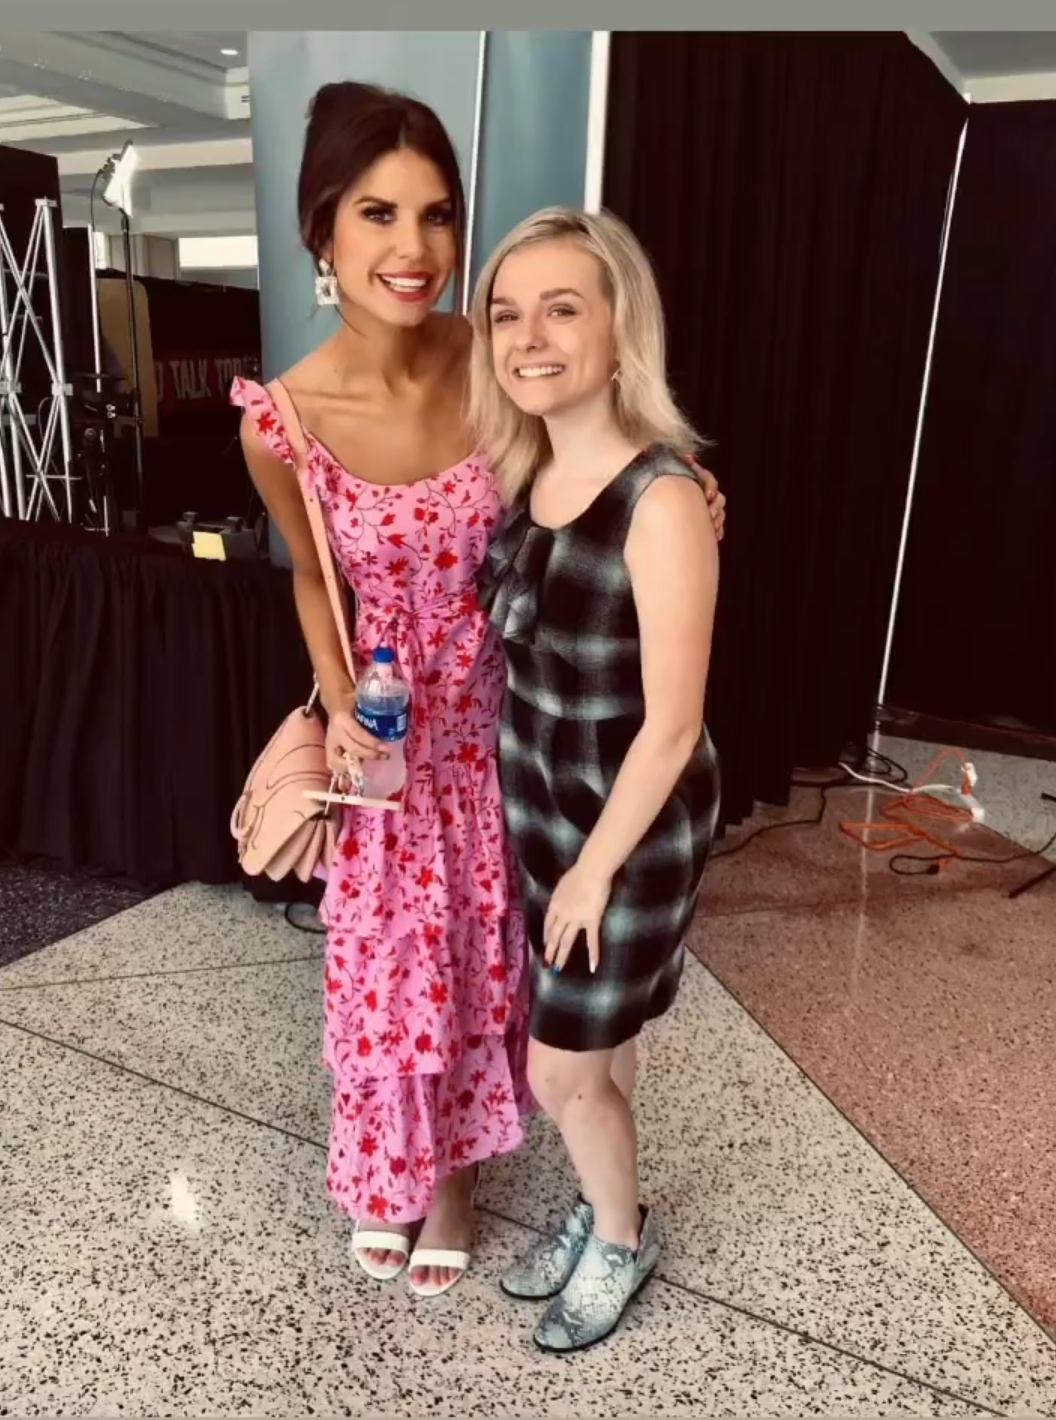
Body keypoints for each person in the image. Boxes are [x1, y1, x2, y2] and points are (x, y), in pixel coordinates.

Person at [232, 82, 726, 1300]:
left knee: (485, 960)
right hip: (389, 735)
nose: (413, 248)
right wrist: (336, 697)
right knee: (385, 964)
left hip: (508, 725)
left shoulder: (495, 359)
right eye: (377, 213)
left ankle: (457, 1179)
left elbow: (599, 465)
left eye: (437, 214)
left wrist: (685, 494)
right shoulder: (282, 418)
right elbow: (311, 575)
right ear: (321, 228)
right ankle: (393, 1169)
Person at [471, 207, 722, 1352]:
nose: (528, 337)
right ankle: (602, 1197)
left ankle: (620, 1238)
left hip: (623, 834)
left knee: (559, 1074)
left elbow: (672, 728)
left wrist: (590, 874)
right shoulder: (527, 475)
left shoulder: (660, 500)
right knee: (602, 1051)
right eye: (507, 313)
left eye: (561, 308)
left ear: (620, 326)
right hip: (548, 820)